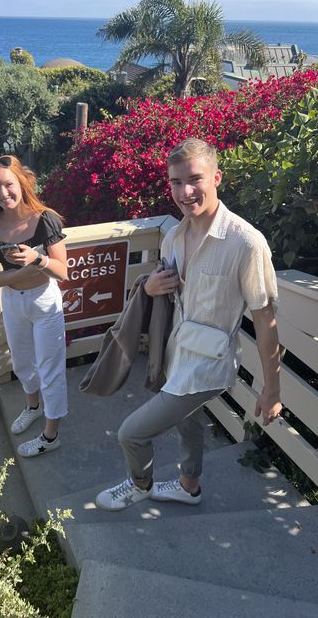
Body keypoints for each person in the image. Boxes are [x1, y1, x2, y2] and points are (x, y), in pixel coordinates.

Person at [96, 138, 282, 510]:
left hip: (208, 365)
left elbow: (266, 320)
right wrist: (149, 287)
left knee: (131, 433)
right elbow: (168, 292)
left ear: (217, 177)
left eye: (194, 179)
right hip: (176, 351)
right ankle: (189, 486)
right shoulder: (174, 237)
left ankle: (140, 484)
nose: (185, 192)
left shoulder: (246, 243)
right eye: (176, 182)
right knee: (189, 423)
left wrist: (272, 390)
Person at [0, 155, 68, 457]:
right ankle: (33, 406)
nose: (3, 193)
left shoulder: (45, 219)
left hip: (44, 300)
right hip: (13, 301)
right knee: (22, 362)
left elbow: (62, 271)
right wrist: (20, 273)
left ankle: (51, 436)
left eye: (8, 184)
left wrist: (36, 259)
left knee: (50, 368)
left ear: (22, 182)